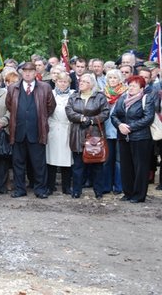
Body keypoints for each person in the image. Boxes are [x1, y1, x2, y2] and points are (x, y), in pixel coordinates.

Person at [5, 62, 56, 198]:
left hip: (37, 130)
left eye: (31, 71)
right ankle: (20, 189)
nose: (27, 73)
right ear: (21, 72)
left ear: (35, 73)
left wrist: (39, 117)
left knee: (39, 163)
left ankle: (40, 190)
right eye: (25, 71)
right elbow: (9, 106)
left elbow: (51, 107)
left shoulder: (45, 87)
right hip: (18, 131)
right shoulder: (12, 88)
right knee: (18, 163)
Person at [65, 73, 110, 199]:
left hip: (94, 134)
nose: (81, 83)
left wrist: (91, 120)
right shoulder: (73, 97)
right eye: (80, 81)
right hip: (77, 133)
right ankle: (76, 191)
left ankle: (98, 191)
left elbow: (105, 113)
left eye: (84, 81)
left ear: (91, 84)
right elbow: (69, 112)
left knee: (97, 165)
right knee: (78, 165)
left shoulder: (99, 97)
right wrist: (81, 118)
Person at [111, 75, 155, 203]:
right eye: (129, 85)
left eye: (134, 86)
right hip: (123, 138)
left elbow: (148, 118)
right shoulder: (122, 98)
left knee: (140, 167)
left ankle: (139, 195)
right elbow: (114, 115)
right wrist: (120, 125)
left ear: (141, 88)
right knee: (126, 166)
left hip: (140, 138)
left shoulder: (146, 98)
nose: (131, 88)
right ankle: (128, 193)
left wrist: (129, 127)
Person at [45, 71, 73, 195]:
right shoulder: (50, 94)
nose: (62, 84)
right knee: (51, 158)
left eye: (65, 81)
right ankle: (50, 186)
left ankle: (66, 186)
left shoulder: (73, 94)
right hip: (53, 128)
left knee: (67, 159)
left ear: (69, 83)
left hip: (67, 128)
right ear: (56, 82)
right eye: (60, 81)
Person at [102, 69, 126, 195]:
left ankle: (119, 186)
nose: (112, 80)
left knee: (119, 161)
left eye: (115, 78)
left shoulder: (125, 94)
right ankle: (106, 186)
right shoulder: (103, 93)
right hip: (106, 130)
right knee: (106, 160)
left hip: (119, 131)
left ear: (120, 80)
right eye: (110, 77)